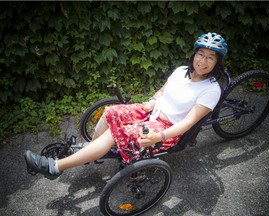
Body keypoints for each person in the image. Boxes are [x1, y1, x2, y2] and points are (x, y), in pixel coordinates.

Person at [24, 32, 228, 180]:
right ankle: (90, 152)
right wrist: (153, 100)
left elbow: (187, 123)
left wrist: (159, 137)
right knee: (110, 112)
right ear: (194, 55)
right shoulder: (181, 70)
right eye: (201, 54)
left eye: (211, 57)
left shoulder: (211, 90)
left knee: (115, 133)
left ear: (217, 63)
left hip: (167, 128)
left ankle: (55, 167)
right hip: (152, 112)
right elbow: (161, 91)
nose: (203, 61)